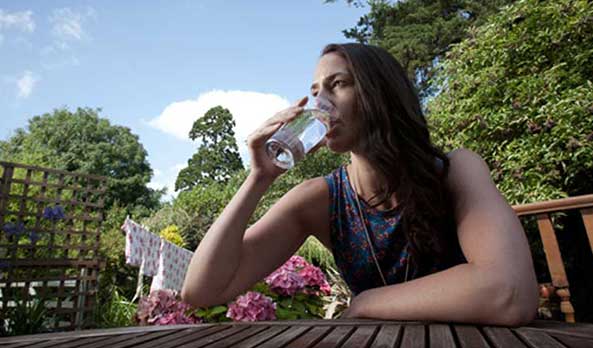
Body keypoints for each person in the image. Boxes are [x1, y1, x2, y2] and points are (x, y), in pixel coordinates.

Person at [181, 43, 539, 326]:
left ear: (380, 93)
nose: (321, 103)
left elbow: (509, 293)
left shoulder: (455, 171)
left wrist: (368, 301)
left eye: (337, 85)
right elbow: (202, 291)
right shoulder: (320, 200)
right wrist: (258, 178)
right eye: (315, 90)